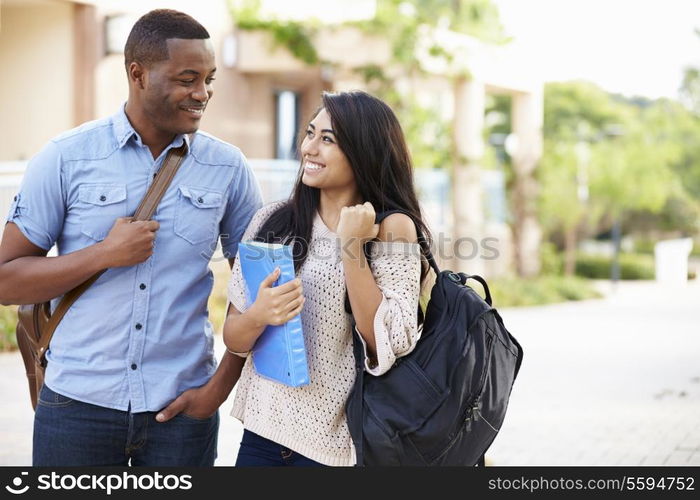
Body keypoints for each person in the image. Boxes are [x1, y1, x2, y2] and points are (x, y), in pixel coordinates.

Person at [0, 9, 262, 466]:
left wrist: (217, 391)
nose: (202, 93)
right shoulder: (66, 158)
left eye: (209, 79)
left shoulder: (229, 168)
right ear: (137, 74)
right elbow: (6, 279)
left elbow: (259, 289)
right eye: (187, 79)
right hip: (76, 409)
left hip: (180, 415)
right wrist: (103, 254)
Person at [223, 90, 433, 466]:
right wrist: (259, 315)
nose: (309, 148)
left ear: (363, 150)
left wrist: (352, 246)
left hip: (339, 450)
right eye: (309, 133)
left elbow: (389, 343)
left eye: (328, 140)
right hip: (262, 435)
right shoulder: (273, 222)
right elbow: (235, 338)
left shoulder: (392, 228)